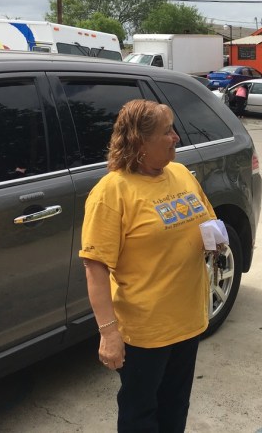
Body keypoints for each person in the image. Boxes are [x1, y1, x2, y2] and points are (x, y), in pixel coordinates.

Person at [80, 99, 216, 432]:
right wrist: (108, 333)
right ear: (140, 143)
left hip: (187, 320)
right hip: (145, 332)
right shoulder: (112, 192)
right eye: (167, 131)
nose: (176, 138)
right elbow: (95, 269)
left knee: (175, 407)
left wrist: (214, 239)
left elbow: (207, 222)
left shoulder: (181, 173)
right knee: (140, 414)